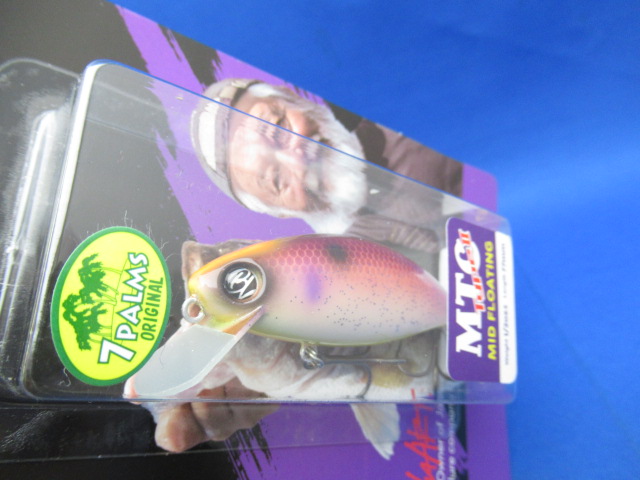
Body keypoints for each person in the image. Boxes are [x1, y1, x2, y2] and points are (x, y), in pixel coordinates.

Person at [146, 79, 461, 454]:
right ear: (276, 211)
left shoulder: (409, 112)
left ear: (296, 98)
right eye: (277, 180)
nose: (298, 157)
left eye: (278, 127)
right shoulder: (327, 281)